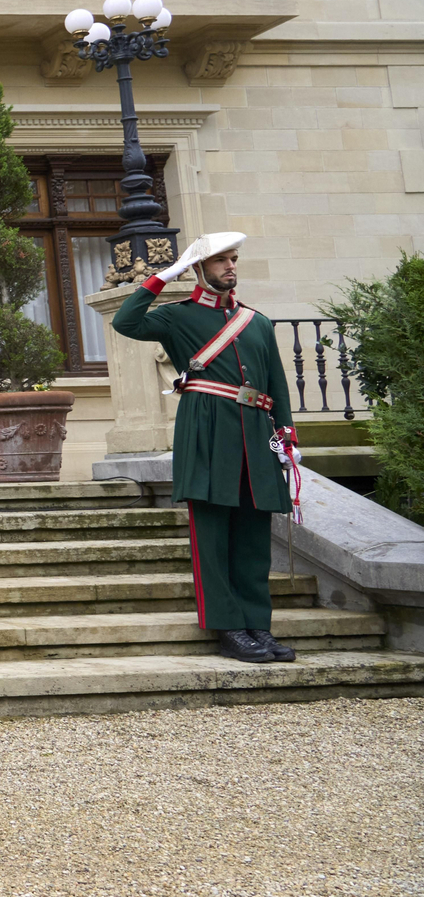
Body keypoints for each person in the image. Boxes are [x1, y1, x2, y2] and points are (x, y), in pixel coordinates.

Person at [112, 233, 301, 663]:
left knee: (253, 537)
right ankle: (229, 628)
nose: (230, 267)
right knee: (213, 535)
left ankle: (258, 627)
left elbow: (276, 384)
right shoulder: (176, 317)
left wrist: (287, 436)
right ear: (199, 269)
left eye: (233, 260)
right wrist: (162, 277)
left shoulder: (258, 322)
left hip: (256, 434)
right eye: (220, 261)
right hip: (207, 430)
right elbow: (126, 322)